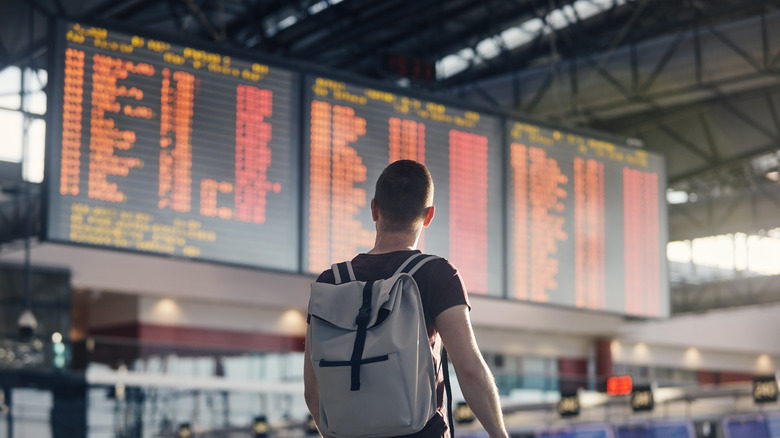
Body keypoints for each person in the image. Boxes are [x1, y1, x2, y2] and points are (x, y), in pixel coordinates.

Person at [304, 160, 508, 438]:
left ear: (374, 208)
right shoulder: (436, 274)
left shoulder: (330, 281)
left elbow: (312, 389)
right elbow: (470, 370)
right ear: (429, 215)